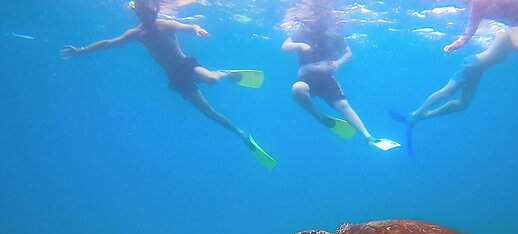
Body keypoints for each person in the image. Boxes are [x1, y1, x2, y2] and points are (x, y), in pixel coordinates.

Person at [60, 0, 275, 167]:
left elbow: (189, 27)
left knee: (211, 80)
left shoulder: (166, 25)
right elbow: (108, 43)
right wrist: (81, 51)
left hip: (186, 65)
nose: (148, 14)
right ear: (137, 12)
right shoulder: (137, 34)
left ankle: (225, 74)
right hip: (175, 78)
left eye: (151, 10)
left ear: (157, 9)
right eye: (144, 11)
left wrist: (198, 30)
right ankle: (240, 133)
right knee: (208, 112)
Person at [392, 28, 518, 149]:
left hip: (478, 69)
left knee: (463, 104)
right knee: (448, 92)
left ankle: (420, 116)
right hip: (474, 64)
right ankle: (416, 114)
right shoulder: (515, 30)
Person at [281, 0, 400, 151]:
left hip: (326, 79)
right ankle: (317, 115)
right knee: (298, 88)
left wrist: (338, 63)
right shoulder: (302, 33)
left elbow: (348, 53)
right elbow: (285, 47)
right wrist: (300, 45)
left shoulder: (333, 35)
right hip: (307, 78)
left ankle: (368, 137)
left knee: (344, 106)